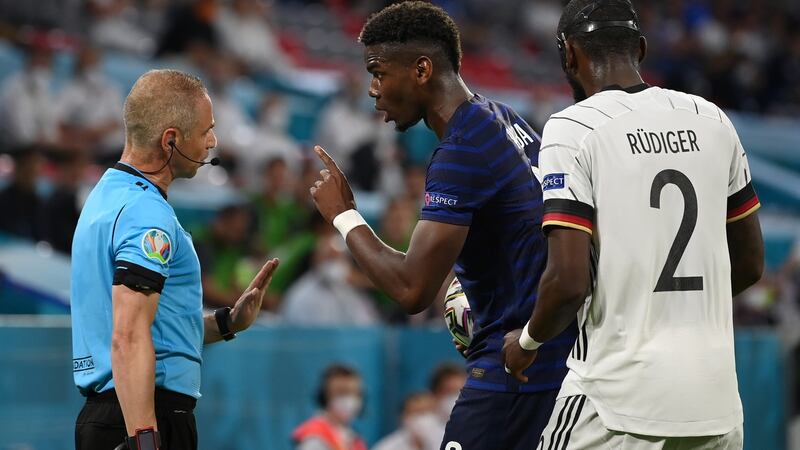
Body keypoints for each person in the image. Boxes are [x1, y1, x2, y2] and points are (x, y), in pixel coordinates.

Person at [309, 2, 577, 448]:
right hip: (555, 355)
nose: (372, 89)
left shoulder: (461, 151)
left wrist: (343, 215)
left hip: (514, 368)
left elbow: (412, 289)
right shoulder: (504, 116)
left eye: (378, 72)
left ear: (421, 69)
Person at [502, 1, 764, 449]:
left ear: (569, 55)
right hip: (716, 405)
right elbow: (750, 264)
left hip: (615, 405)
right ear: (641, 49)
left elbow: (567, 282)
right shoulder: (712, 119)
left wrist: (525, 342)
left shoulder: (573, 127)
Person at [70, 69, 279, 450]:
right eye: (206, 131)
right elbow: (129, 335)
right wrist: (145, 440)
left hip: (114, 415)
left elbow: (151, 328)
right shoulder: (146, 214)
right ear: (171, 140)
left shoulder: (105, 197)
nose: (213, 142)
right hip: (146, 418)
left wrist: (228, 322)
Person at [292, 364, 367, 450]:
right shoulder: (314, 438)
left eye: (355, 393)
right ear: (325, 396)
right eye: (342, 392)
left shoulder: (352, 438)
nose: (350, 399)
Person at [374, 392, 443, 450]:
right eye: (417, 413)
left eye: (427, 412)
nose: (423, 419)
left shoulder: (449, 442)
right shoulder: (386, 447)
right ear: (403, 417)